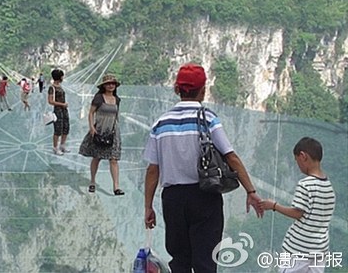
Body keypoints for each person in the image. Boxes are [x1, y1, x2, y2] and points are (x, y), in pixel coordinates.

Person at [143, 63, 263, 273]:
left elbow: (153, 170)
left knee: (179, 260)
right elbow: (230, 156)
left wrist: (148, 206)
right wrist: (250, 191)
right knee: (206, 261)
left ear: (177, 89)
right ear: (203, 89)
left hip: (173, 199)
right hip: (204, 196)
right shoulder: (208, 119)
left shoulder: (160, 123)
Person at [259, 137, 335, 273]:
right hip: (319, 249)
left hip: (298, 249)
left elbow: (297, 212)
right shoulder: (328, 186)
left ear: (303, 156)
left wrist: (274, 205)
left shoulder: (306, 185)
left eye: (297, 161)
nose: (298, 165)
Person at [78, 74, 124, 195]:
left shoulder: (117, 99)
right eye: (108, 83)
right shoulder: (99, 98)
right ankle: (92, 181)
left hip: (113, 131)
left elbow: (116, 115)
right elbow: (91, 113)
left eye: (113, 83)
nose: (111, 86)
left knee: (113, 159)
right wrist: (92, 127)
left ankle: (116, 186)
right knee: (97, 157)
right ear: (104, 85)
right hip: (100, 129)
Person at [47, 69, 69, 155]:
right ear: (59, 77)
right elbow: (50, 101)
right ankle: (55, 148)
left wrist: (64, 106)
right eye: (62, 76)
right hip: (58, 110)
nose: (63, 77)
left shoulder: (60, 86)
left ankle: (62, 146)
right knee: (58, 129)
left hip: (64, 110)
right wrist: (62, 104)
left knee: (66, 127)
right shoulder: (52, 88)